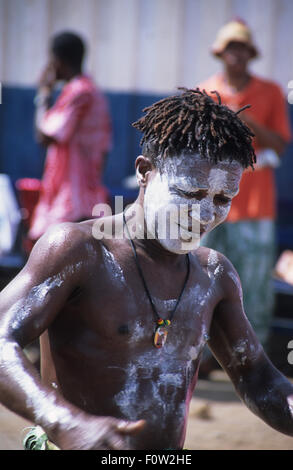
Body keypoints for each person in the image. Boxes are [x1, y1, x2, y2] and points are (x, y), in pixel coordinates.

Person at [0, 89, 292, 451]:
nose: (204, 215)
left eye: (221, 200)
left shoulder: (214, 274)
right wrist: (64, 421)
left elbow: (258, 376)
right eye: (190, 193)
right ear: (144, 172)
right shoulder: (80, 251)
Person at [198, 19, 291, 349]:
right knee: (205, 280)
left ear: (250, 54)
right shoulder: (206, 92)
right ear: (221, 54)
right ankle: (206, 354)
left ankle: (254, 357)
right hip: (212, 204)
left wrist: (248, 122)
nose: (236, 55)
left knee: (253, 287)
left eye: (242, 49)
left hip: (255, 206)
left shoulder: (270, 92)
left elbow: (280, 144)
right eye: (230, 49)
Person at [29, 31, 112, 242]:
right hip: (88, 193)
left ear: (57, 61)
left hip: (71, 198)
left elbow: (45, 136)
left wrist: (44, 94)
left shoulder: (78, 93)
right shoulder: (95, 94)